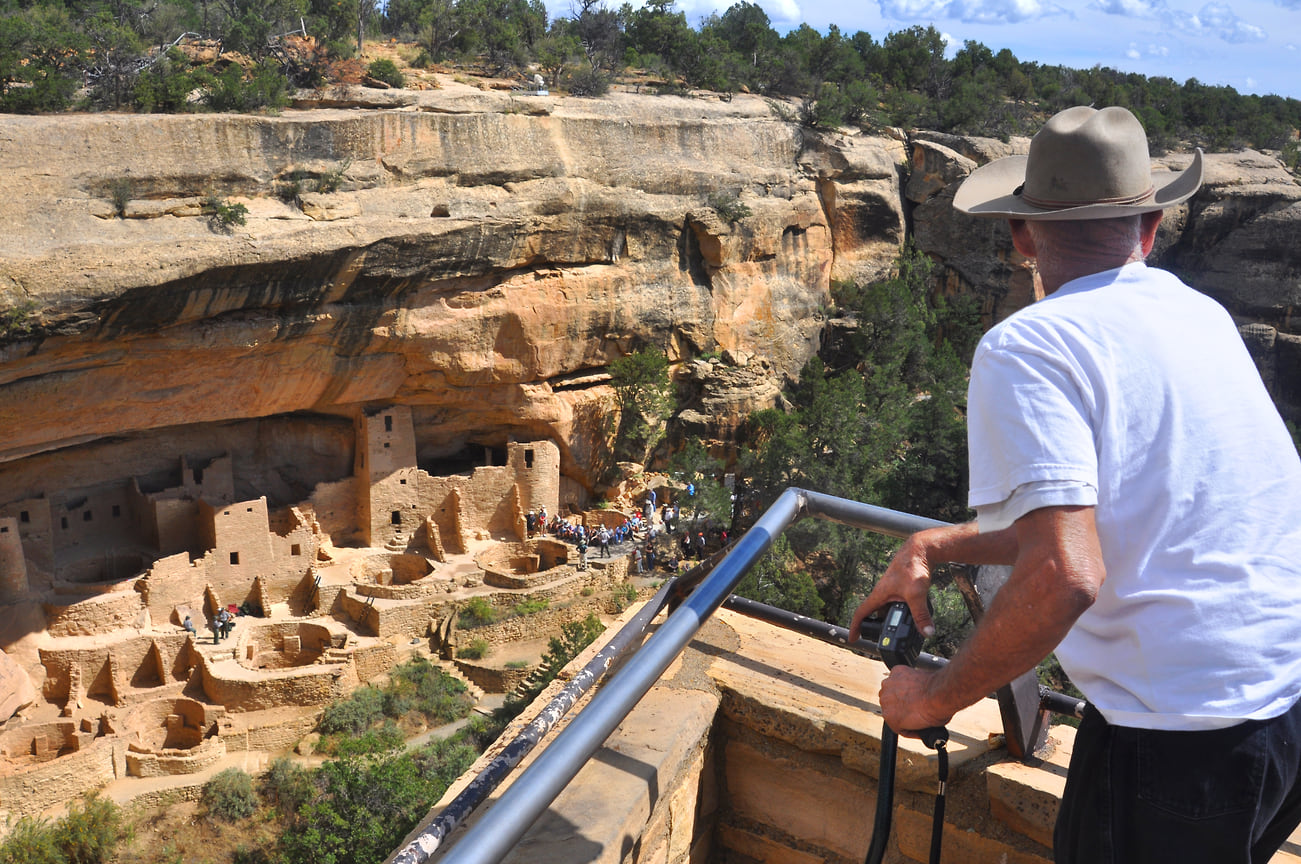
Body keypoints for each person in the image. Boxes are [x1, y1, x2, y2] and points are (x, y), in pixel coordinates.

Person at [848, 105, 1301, 864]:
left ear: (1021, 235)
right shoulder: (1201, 315)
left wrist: (929, 698)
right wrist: (939, 542)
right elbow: (1136, 511)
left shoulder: (1028, 343)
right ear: (1150, 226)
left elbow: (1064, 574)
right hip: (1279, 704)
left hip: (1179, 734)